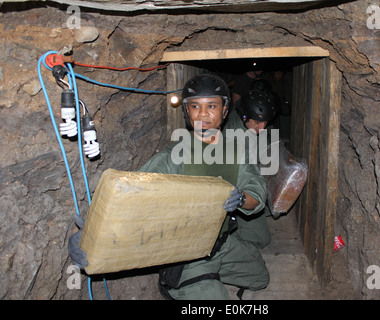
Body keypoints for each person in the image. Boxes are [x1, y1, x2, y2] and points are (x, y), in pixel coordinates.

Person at [68, 73, 270, 300]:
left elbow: (257, 190)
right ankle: (183, 283)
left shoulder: (236, 152)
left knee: (261, 279)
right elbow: (125, 198)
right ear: (187, 111)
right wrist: (85, 237)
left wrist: (242, 198)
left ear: (224, 110)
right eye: (195, 106)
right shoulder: (174, 157)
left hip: (222, 243)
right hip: (189, 254)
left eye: (211, 106)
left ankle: (208, 277)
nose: (203, 114)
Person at [222, 86, 279, 250]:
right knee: (261, 238)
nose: (262, 128)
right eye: (258, 122)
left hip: (249, 178)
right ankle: (225, 233)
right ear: (245, 116)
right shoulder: (234, 139)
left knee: (270, 205)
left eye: (265, 122)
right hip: (235, 192)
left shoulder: (247, 121)